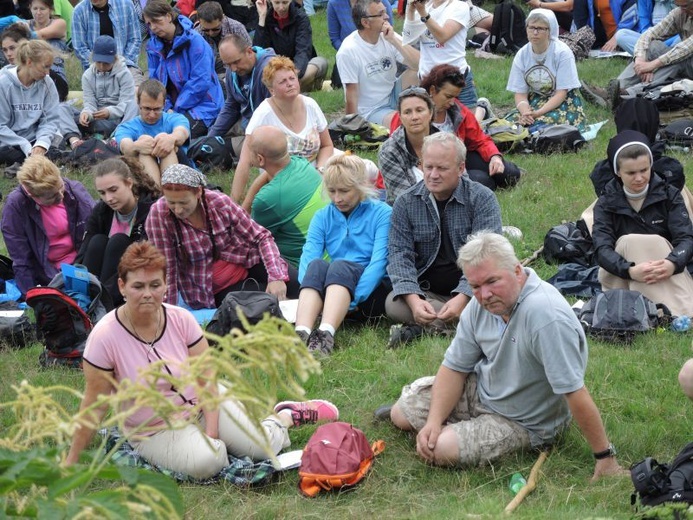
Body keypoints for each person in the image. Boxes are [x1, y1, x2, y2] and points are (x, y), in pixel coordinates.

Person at [65, 241, 340, 479]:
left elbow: (206, 374)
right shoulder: (104, 337)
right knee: (210, 461)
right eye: (138, 286)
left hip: (202, 402)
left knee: (261, 449)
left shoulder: (180, 318)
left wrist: (211, 427)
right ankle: (215, 447)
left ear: (165, 285)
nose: (147, 293)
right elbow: (93, 407)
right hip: (154, 430)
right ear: (122, 287)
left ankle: (284, 417)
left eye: (155, 285)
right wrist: (70, 463)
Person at [384, 232, 626, 481]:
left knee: (441, 448)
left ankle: (455, 433)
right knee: (400, 413)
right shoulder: (480, 304)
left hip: (525, 419)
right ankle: (448, 427)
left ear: (518, 271)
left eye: (492, 281)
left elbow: (574, 391)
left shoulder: (545, 317)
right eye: (476, 286)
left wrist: (605, 456)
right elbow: (455, 367)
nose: (484, 294)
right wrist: (434, 421)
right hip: (486, 390)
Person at [385, 133, 502, 348]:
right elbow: (399, 256)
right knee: (393, 304)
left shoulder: (482, 198)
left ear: (460, 168)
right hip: (427, 290)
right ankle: (464, 326)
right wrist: (414, 300)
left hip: (475, 290)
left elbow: (489, 255)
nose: (433, 175)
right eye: (428, 167)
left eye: (442, 168)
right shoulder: (405, 203)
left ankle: (432, 326)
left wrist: (463, 296)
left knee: (498, 298)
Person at [146, 164, 299, 310]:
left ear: (199, 192)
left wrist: (275, 276)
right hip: (216, 288)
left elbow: (262, 237)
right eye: (171, 202)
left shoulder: (219, 203)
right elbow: (166, 268)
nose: (177, 209)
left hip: (248, 260)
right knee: (264, 304)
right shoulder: (159, 215)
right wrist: (169, 312)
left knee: (298, 288)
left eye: (184, 202)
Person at [294, 154, 392, 355]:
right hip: (334, 293)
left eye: (345, 191)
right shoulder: (322, 216)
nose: (338, 198)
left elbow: (379, 262)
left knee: (339, 265)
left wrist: (354, 299)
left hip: (369, 294)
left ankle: (325, 335)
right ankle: (301, 334)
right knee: (317, 265)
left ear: (360, 187)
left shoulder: (383, 213)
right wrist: (313, 290)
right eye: (332, 191)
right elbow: (308, 257)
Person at [591, 130, 693, 317]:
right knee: (631, 241)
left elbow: (686, 238)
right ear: (617, 172)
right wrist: (630, 271)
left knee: (655, 242)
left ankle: (664, 310)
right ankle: (663, 311)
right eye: (631, 173)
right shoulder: (605, 203)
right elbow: (601, 248)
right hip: (622, 273)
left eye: (644, 170)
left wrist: (672, 263)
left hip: (666, 268)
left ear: (651, 166)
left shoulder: (670, 194)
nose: (639, 178)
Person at [388, 65, 522, 193]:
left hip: (459, 158)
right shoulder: (408, 115)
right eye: (448, 96)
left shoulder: (458, 110)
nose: (452, 102)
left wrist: (495, 156)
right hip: (434, 167)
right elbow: (398, 151)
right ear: (433, 90)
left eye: (455, 97)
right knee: (483, 181)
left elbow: (480, 139)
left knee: (509, 173)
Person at [234, 56, 335, 210]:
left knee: (363, 168)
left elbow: (327, 145)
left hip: (316, 165)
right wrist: (233, 202)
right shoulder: (264, 113)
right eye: (282, 82)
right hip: (283, 174)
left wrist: (320, 170)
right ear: (271, 90)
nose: (290, 84)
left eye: (292, 78)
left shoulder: (310, 104)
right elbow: (245, 161)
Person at [1, 155, 95, 296]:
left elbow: (96, 228)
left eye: (61, 187)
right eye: (52, 197)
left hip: (83, 260)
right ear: (32, 194)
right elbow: (21, 259)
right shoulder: (15, 206)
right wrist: (32, 295)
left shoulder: (75, 190)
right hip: (47, 271)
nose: (61, 196)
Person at [77, 157, 160, 307]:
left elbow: (142, 259)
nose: (108, 198)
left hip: (135, 277)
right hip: (101, 280)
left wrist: (104, 294)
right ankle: (82, 299)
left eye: (113, 190)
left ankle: (102, 303)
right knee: (97, 241)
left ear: (129, 183)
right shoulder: (101, 210)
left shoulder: (151, 210)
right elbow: (84, 252)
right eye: (102, 193)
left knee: (118, 241)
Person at [249, 126, 328, 268]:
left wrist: (244, 206)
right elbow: (269, 175)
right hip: (334, 252)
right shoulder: (301, 163)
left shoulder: (267, 199)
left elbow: (249, 239)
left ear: (260, 159)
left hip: (307, 268)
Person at [143, 0, 223, 140]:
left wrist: (176, 110)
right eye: (149, 24)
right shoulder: (153, 47)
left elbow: (200, 82)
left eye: (156, 21)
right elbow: (155, 82)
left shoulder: (195, 41)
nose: (153, 27)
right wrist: (165, 107)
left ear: (169, 16)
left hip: (204, 106)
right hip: (169, 108)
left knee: (172, 137)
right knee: (147, 134)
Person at [207, 34, 276, 194]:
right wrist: (211, 137)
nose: (233, 69)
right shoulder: (233, 72)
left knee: (221, 148)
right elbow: (231, 106)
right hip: (245, 123)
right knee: (207, 139)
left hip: (264, 131)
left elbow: (274, 116)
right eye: (227, 64)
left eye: (236, 62)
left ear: (249, 52)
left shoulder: (269, 70)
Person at [336, 0, 419, 128]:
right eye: (381, 14)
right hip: (371, 110)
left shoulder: (387, 35)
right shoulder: (348, 51)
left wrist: (394, 41)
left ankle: (408, 108)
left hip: (392, 94)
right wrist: (351, 127)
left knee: (416, 72)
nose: (387, 17)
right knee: (406, 123)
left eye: (385, 12)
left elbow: (420, 64)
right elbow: (351, 93)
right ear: (365, 22)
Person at [505, 8, 586, 132]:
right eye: (531, 27)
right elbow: (520, 93)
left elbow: (561, 93)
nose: (535, 32)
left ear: (550, 31)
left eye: (540, 28)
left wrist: (538, 113)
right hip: (537, 99)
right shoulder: (522, 54)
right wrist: (526, 112)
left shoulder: (562, 53)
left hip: (564, 101)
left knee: (550, 124)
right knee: (510, 122)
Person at [609, 0, 693, 102]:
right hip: (683, 57)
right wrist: (640, 61)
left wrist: (652, 65)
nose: (682, 10)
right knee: (652, 46)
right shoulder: (679, 13)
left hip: (688, 61)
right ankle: (615, 89)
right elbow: (648, 34)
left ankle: (629, 93)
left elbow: (686, 48)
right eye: (679, 6)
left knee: (678, 59)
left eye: (685, 6)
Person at [114, 79, 191, 185]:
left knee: (164, 139)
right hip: (143, 172)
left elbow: (181, 133)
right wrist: (137, 146)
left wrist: (171, 139)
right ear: (138, 102)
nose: (152, 114)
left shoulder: (176, 118)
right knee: (143, 142)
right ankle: (156, 193)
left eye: (157, 109)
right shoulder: (126, 127)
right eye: (147, 108)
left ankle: (169, 190)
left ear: (164, 104)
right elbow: (125, 146)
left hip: (181, 170)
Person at [403, 0, 478, 108]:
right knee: (431, 121)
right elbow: (409, 40)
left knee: (467, 123)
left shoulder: (459, 7)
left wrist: (423, 13)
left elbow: (442, 37)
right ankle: (483, 108)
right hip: (427, 78)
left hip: (457, 77)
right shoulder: (425, 7)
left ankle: (482, 108)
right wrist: (410, 11)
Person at [0, 39, 60, 168]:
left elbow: (50, 119)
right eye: (45, 66)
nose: (48, 72)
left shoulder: (47, 83)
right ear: (29, 62)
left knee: (55, 143)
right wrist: (25, 145)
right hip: (10, 141)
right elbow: (1, 126)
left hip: (36, 137)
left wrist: (41, 144)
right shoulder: (3, 84)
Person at [252, 0, 328, 92]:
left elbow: (303, 50)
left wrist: (293, 74)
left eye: (285, 3)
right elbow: (258, 52)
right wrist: (262, 18)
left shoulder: (301, 18)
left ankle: (287, 88)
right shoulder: (266, 18)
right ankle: (293, 88)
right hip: (276, 68)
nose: (281, 7)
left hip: (298, 68)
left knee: (320, 62)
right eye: (277, 3)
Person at [78, 35, 137, 139]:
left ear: (114, 58)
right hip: (96, 117)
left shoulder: (125, 74)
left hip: (118, 118)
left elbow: (126, 103)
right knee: (63, 110)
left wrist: (109, 112)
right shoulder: (87, 75)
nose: (101, 66)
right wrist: (87, 114)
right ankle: (80, 135)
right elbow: (89, 102)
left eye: (106, 63)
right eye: (98, 62)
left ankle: (117, 134)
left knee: (135, 105)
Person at [71, 0, 144, 85]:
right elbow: (80, 48)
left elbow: (135, 39)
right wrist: (100, 65)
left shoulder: (126, 5)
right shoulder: (79, 11)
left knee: (137, 90)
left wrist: (121, 64)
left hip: (126, 64)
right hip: (95, 68)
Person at [1, 22, 67, 101]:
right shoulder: (3, 77)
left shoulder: (46, 76)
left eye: (12, 48)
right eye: (5, 50)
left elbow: (62, 90)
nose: (8, 54)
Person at [193, 1, 251, 88]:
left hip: (238, 73)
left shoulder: (236, 28)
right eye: (206, 30)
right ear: (199, 22)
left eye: (215, 29)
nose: (211, 33)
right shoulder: (196, 34)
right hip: (209, 77)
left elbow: (250, 53)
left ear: (222, 18)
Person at [615, 0, 679, 54]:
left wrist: (661, 45)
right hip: (652, 39)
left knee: (681, 39)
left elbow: (683, 30)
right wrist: (652, 42)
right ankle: (659, 57)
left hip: (672, 40)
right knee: (621, 34)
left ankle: (649, 57)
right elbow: (644, 27)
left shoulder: (680, 2)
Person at [572, 0, 637, 49]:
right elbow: (580, 20)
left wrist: (615, 38)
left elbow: (631, 17)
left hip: (626, 35)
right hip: (604, 39)